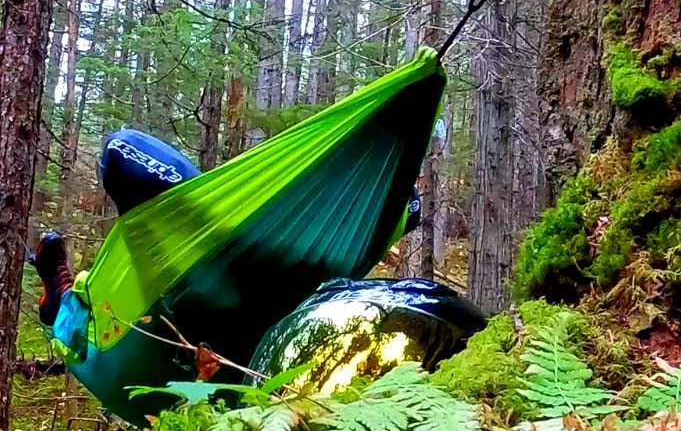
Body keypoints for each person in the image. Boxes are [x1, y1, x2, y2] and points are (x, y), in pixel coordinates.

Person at [30, 128, 423, 326]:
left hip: (261, 305)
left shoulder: (329, 242)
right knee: (86, 321)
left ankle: (65, 298)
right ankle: (61, 296)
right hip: (179, 289)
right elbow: (121, 149)